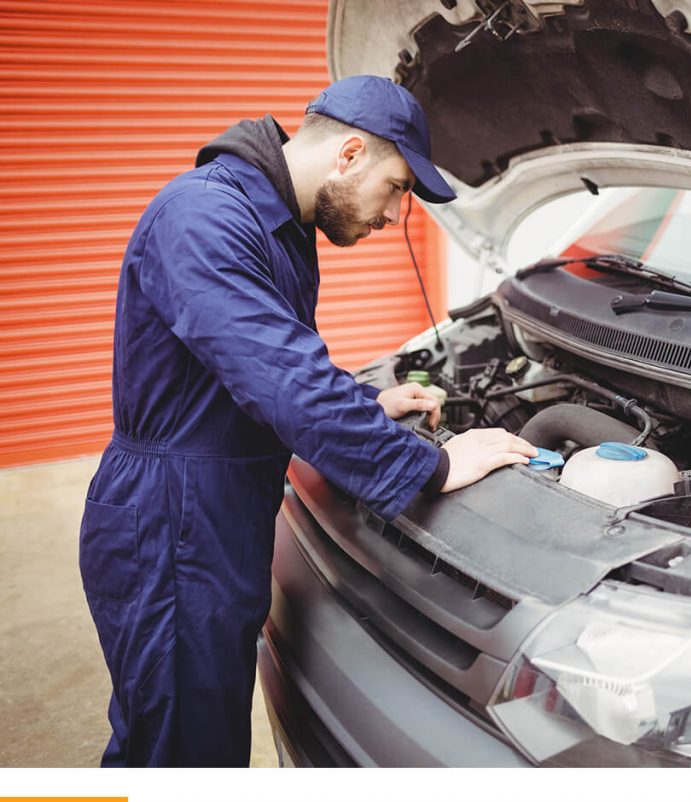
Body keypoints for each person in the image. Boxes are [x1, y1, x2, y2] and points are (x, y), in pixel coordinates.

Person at [78, 75, 537, 767]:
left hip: (211, 517)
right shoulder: (206, 216)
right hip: (173, 527)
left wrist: (368, 407)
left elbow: (255, 370)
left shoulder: (277, 225)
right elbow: (284, 380)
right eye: (397, 187)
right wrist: (431, 465)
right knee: (175, 752)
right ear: (350, 154)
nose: (392, 217)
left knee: (202, 733)